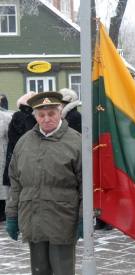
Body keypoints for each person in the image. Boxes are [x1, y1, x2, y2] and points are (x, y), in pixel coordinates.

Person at [5, 92, 82, 275]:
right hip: (33, 218)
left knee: (63, 271)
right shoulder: (24, 143)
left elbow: (86, 184)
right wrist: (12, 215)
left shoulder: (76, 141)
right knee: (39, 271)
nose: (46, 119)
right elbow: (15, 184)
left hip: (63, 220)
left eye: (51, 114)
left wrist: (84, 217)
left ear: (60, 112)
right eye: (41, 115)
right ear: (35, 116)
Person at [3, 92, 37, 188]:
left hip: (16, 156)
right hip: (26, 158)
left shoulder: (17, 115)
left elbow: (12, 137)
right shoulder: (30, 118)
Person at [0, 109, 12, 222]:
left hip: (1, 154)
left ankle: (2, 211)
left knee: (2, 186)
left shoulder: (4, 117)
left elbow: (9, 136)